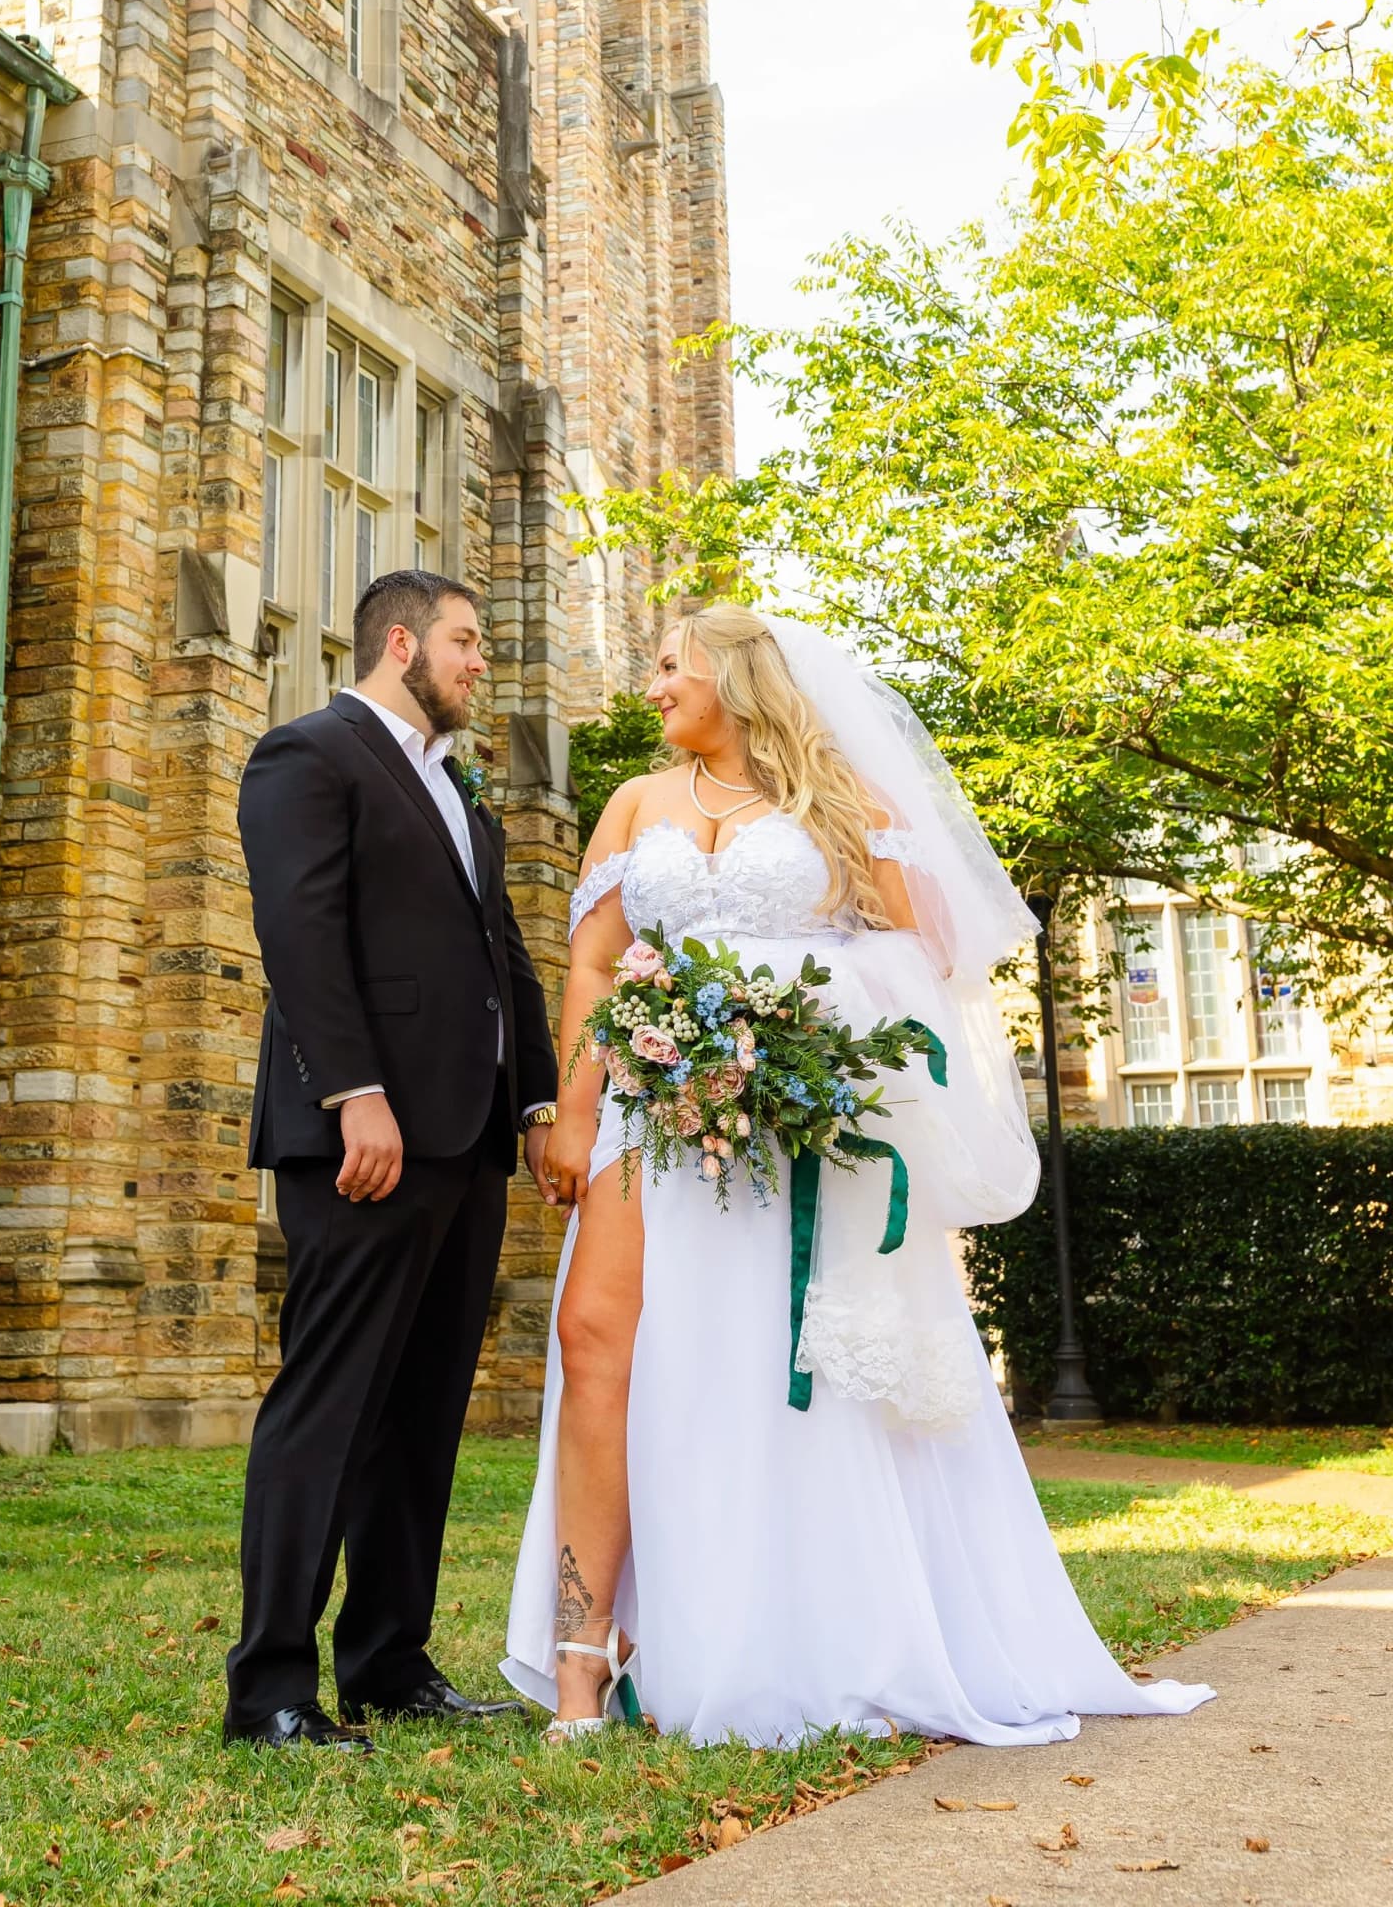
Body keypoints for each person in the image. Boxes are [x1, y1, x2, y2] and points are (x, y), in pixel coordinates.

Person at [502, 606, 1215, 1750]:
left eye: (670, 665)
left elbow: (927, 954)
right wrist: (576, 1112)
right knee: (595, 1342)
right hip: (654, 1110)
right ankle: (584, 1653)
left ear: (735, 677)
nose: (653, 684)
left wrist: (795, 1007)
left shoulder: (840, 805)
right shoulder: (637, 807)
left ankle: (795, 1627)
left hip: (792, 1122)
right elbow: (590, 963)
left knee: (777, 1371)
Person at [225, 569, 560, 1751]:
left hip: (465, 1147)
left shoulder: (467, 799)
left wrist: (539, 1106)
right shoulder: (306, 755)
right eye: (469, 642)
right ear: (403, 643)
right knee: (329, 1406)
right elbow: (298, 934)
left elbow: (502, 957)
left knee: (422, 1414)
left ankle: (387, 1661)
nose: (482, 664)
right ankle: (269, 1687)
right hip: (360, 1140)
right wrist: (355, 1093)